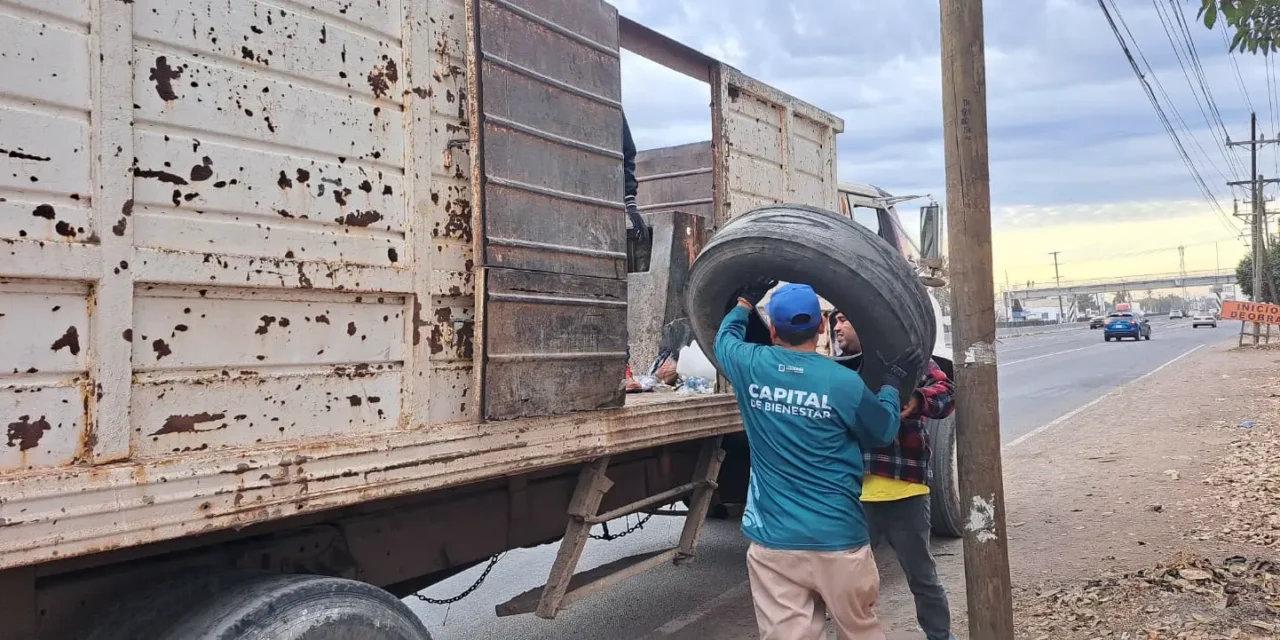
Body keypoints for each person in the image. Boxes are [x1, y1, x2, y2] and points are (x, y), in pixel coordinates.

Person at [714, 280, 916, 640]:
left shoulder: (749, 365)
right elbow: (883, 432)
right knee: (860, 632)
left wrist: (745, 301)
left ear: (772, 329)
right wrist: (890, 387)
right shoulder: (843, 383)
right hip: (839, 540)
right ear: (822, 325)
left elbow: (724, 339)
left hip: (775, 543)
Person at [831, 310, 958, 640]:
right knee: (847, 583)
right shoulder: (836, 368)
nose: (836, 326)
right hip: (855, 498)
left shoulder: (908, 360)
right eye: (835, 320)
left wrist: (917, 400)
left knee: (922, 577)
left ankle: (941, 637)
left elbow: (946, 392)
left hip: (906, 492)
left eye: (845, 318)